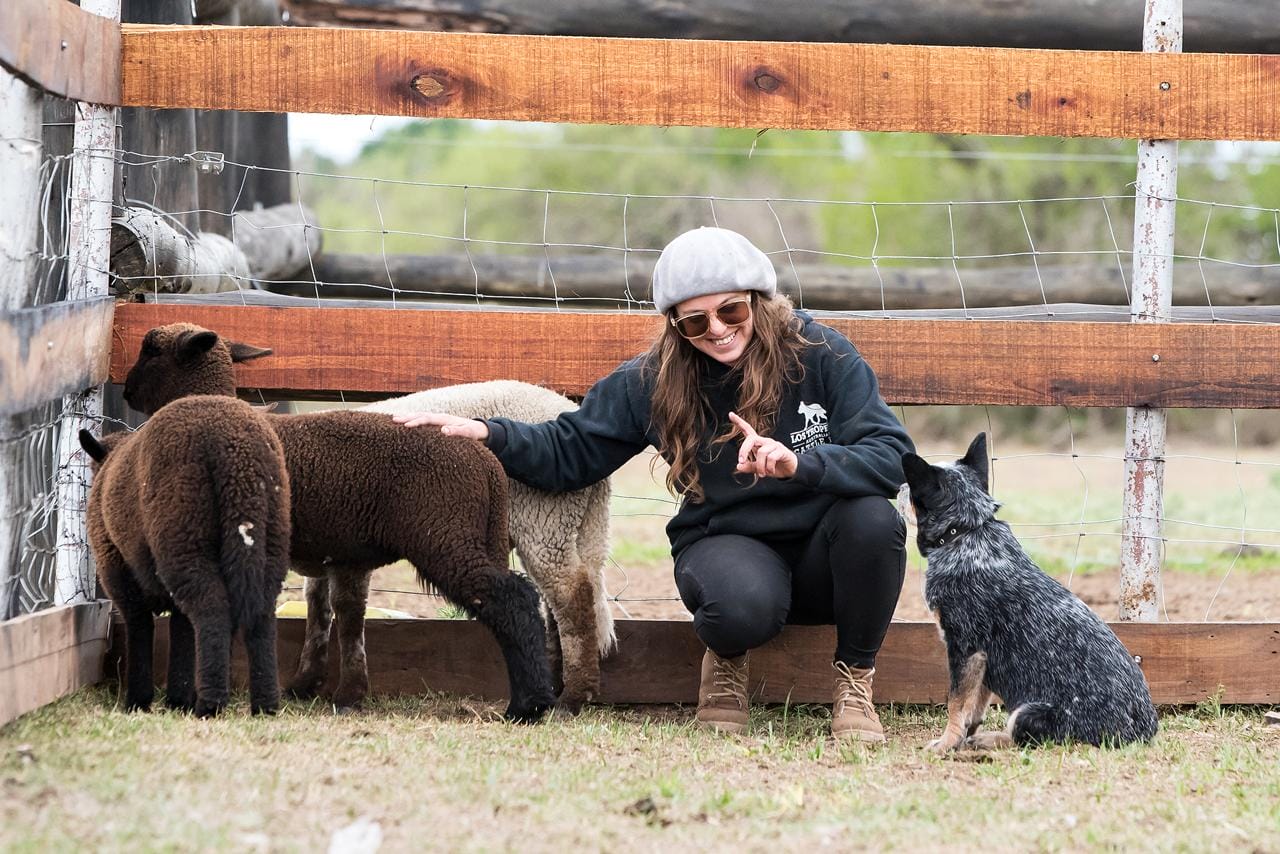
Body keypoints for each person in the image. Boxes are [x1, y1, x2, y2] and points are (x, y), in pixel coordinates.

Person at [394, 226, 913, 742]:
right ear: (675, 325)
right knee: (740, 607)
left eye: (731, 310)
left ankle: (855, 680)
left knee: (874, 519)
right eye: (695, 320)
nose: (717, 329)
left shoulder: (821, 353)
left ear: (758, 301)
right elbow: (572, 449)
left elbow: (891, 454)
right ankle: (726, 660)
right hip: (730, 541)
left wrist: (801, 464)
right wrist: (489, 433)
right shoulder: (655, 378)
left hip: (828, 553)